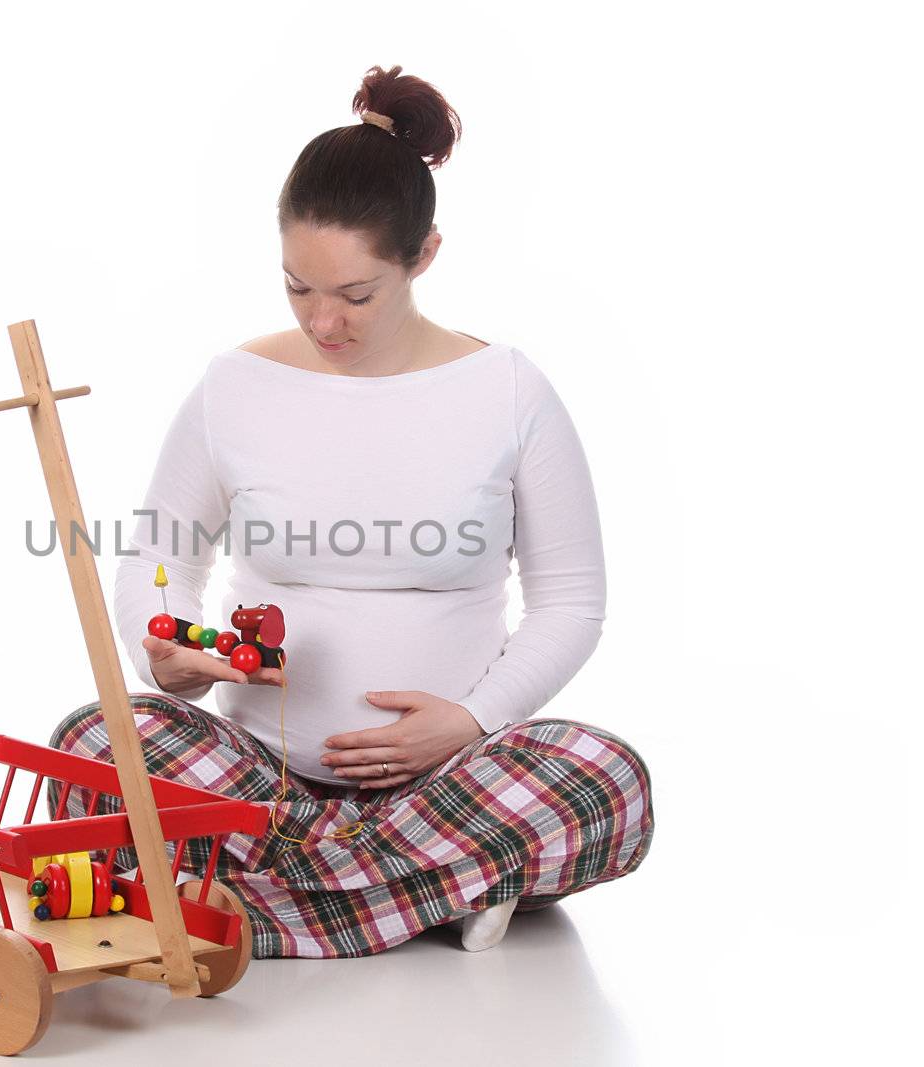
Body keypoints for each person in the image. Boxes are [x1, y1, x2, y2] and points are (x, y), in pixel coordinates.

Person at [47, 64, 653, 958]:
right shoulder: (235, 385)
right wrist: (165, 645)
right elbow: (159, 558)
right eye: (298, 287)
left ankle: (247, 904)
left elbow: (571, 602)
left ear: (424, 255)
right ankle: (440, 889)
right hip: (263, 781)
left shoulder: (509, 390)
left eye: (356, 294)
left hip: (454, 779)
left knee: (606, 776)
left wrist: (472, 720)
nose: (324, 321)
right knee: (92, 742)